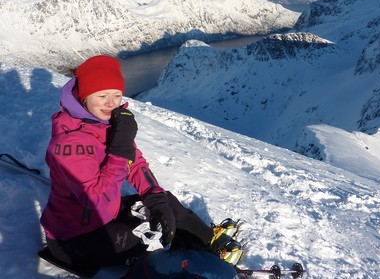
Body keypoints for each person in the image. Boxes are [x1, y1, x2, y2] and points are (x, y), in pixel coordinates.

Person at [39, 55, 242, 275]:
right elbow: (99, 205)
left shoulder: (107, 124)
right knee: (152, 241)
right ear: (84, 97)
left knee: (167, 204)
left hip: (107, 216)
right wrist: (119, 150)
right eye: (102, 95)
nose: (111, 103)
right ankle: (191, 259)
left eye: (116, 95)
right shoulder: (69, 145)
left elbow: (135, 164)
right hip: (75, 240)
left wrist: (155, 199)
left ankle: (209, 242)